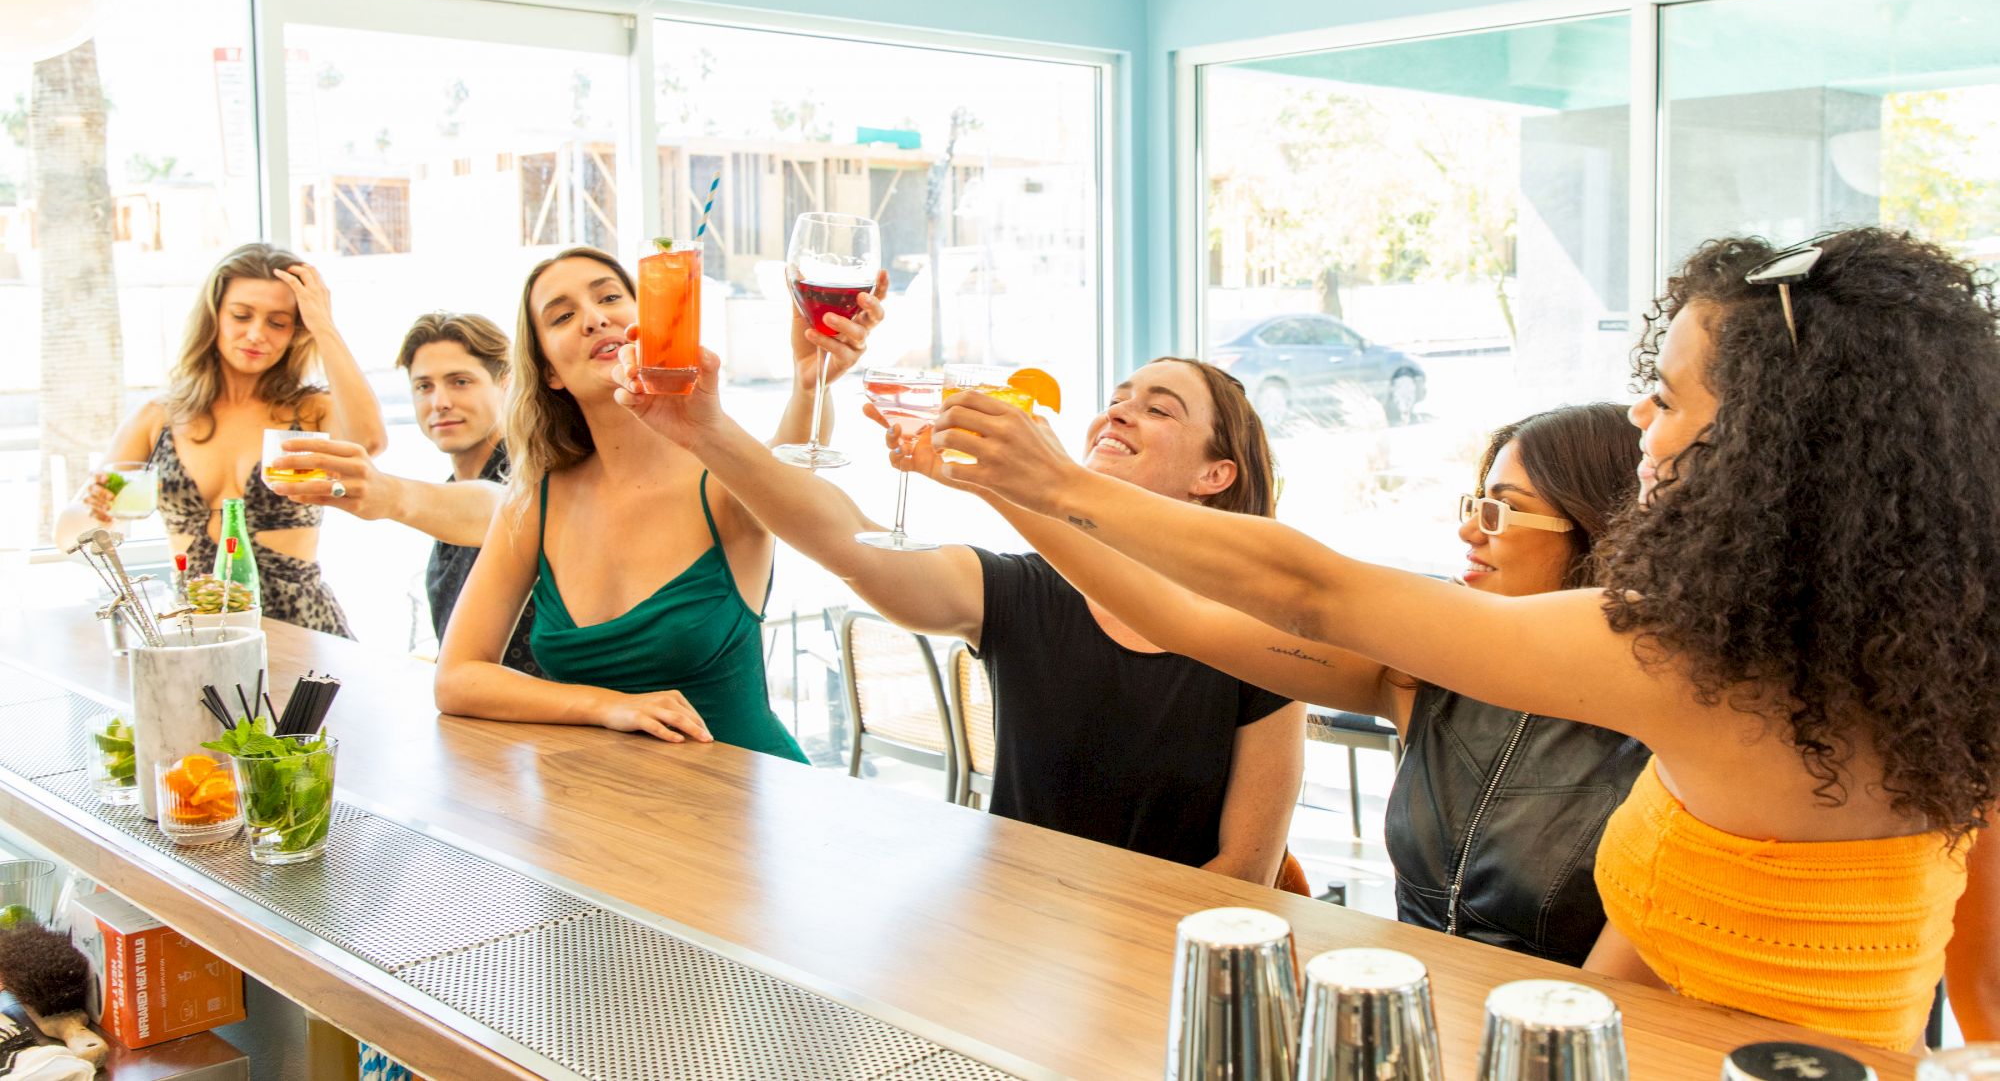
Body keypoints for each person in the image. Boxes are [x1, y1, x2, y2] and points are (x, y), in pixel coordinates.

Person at [931, 228, 2000, 1050]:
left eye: (1664, 396)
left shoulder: (1685, 663)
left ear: (1768, 445)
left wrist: (1058, 483)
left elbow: (1309, 588)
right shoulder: (1943, 671)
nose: (1637, 416)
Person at [905, 402, 1647, 964]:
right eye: (1471, 504)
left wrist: (1059, 481)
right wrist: (1012, 490)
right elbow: (1184, 615)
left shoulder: (1665, 722)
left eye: (1502, 508)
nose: (1469, 531)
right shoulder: (1423, 678)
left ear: (1597, 526)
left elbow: (1309, 586)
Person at [613, 346, 1305, 883]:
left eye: (1159, 408)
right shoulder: (1026, 591)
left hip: (1168, 974)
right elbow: (846, 540)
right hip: (1019, 947)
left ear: (1216, 475)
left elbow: (1244, 875)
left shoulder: (1261, 642)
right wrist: (707, 431)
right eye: (1117, 398)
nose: (1117, 412)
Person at [432, 246, 882, 762]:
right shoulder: (535, 501)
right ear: (550, 371)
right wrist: (606, 706)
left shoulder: (722, 480)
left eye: (608, 298)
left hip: (744, 811)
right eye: (562, 315)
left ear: (651, 323)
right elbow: (457, 678)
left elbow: (791, 474)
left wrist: (810, 385)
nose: (594, 318)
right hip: (607, 812)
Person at [55, 243, 386, 637]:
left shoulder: (310, 410)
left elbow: (368, 442)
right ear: (214, 318)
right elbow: (67, 534)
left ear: (297, 332)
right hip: (198, 631)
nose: (256, 334)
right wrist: (97, 513)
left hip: (303, 627)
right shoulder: (160, 417)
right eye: (241, 315)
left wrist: (325, 326)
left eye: (278, 322)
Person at [261, 312, 538, 671]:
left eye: (460, 381)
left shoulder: (534, 475)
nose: (439, 402)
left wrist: (387, 493)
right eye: (424, 386)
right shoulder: (450, 490)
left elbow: (503, 509)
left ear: (506, 382)